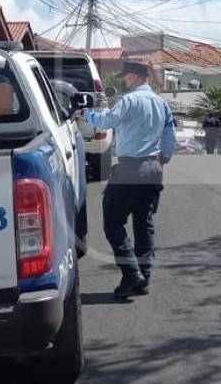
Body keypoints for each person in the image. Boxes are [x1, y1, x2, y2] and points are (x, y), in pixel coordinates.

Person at [76, 61, 176, 300]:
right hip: (153, 169)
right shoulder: (162, 103)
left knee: (113, 222)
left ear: (135, 76)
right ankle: (143, 278)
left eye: (126, 77)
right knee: (144, 224)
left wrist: (85, 114)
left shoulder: (128, 101)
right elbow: (169, 135)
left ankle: (132, 273)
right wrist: (162, 159)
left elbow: (108, 121)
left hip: (130, 168)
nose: (124, 81)